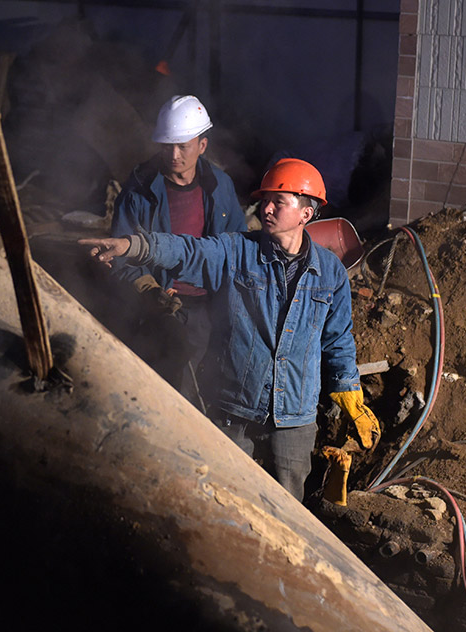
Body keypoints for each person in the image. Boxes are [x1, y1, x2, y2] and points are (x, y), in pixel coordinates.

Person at [80, 158, 380, 502]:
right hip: (234, 409)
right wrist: (133, 247)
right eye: (264, 199)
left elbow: (338, 339)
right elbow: (187, 250)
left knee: (288, 510)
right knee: (221, 498)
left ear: (306, 214)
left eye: (277, 202)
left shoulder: (330, 273)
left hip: (294, 418)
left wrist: (349, 393)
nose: (265, 208)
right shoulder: (237, 251)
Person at [110, 95, 247, 408]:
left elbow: (238, 245)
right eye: (166, 146)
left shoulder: (220, 186)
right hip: (161, 311)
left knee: (213, 392)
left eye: (182, 146)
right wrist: (149, 290)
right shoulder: (140, 190)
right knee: (165, 395)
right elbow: (121, 254)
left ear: (202, 145)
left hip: (211, 307)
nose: (173, 155)